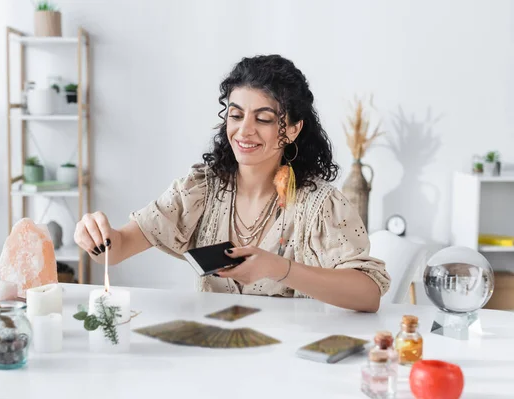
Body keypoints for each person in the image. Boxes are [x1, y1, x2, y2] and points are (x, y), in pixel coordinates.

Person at [74, 54, 390, 312]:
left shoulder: (319, 205)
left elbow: (368, 295)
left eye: (263, 119)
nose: (244, 130)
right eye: (236, 115)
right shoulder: (200, 188)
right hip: (210, 352)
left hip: (288, 363)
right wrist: (96, 236)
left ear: (292, 130)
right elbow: (114, 251)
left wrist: (278, 267)